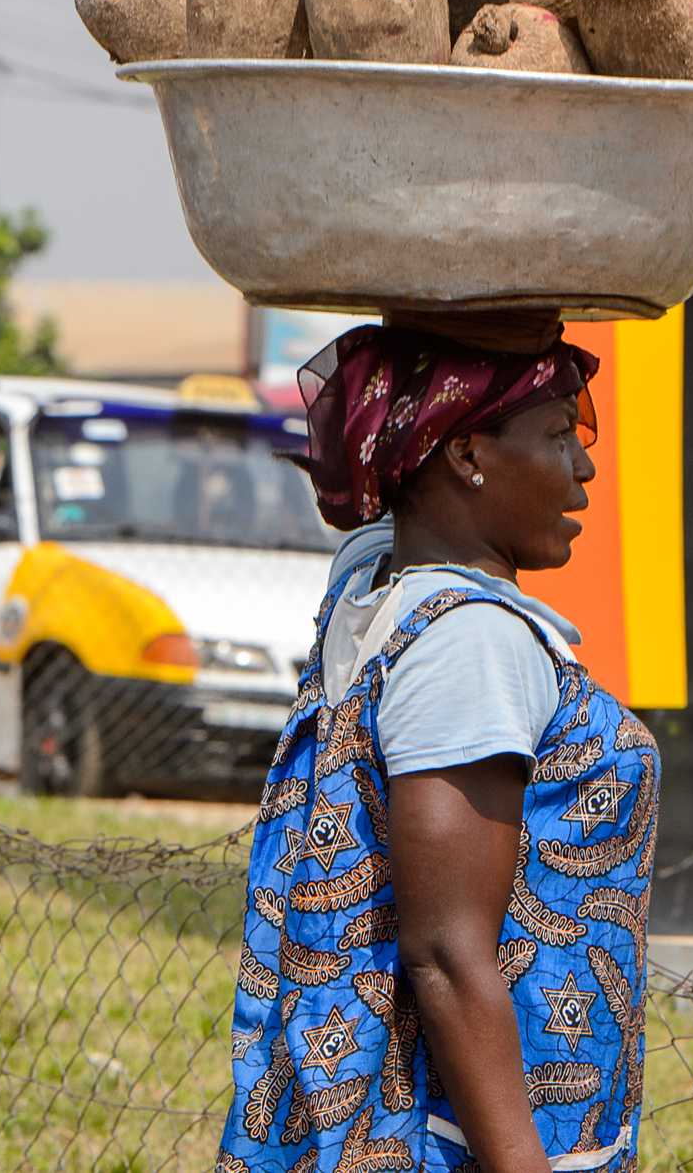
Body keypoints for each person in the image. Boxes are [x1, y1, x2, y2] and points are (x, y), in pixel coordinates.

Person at [218, 323, 660, 1173]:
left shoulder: (373, 589)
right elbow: (448, 955)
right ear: (465, 453)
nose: (584, 465)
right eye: (558, 433)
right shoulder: (472, 643)